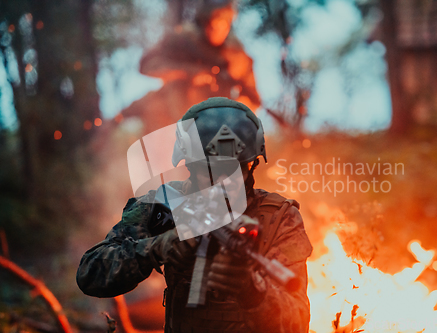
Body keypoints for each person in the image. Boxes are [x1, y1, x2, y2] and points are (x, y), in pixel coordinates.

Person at [76, 97, 313, 333]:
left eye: (234, 169)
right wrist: (156, 248)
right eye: (210, 170)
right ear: (188, 164)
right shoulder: (163, 204)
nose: (223, 182)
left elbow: (297, 322)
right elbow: (90, 274)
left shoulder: (278, 217)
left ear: (251, 166)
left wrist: (254, 293)